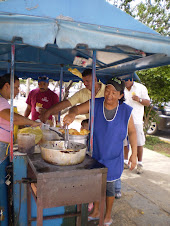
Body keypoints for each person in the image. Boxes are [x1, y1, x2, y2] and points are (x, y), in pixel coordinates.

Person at [63, 77, 137, 225]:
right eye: (108, 90)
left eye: (114, 92)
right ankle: (96, 211)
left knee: (109, 188)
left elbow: (132, 132)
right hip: (96, 154)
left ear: (121, 95)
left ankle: (108, 215)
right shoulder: (95, 103)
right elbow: (76, 108)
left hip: (114, 156)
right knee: (96, 185)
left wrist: (134, 154)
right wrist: (72, 114)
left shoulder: (125, 111)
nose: (109, 95)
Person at [0, 73, 41, 225]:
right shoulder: (1, 101)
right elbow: (12, 118)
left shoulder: (3, 101)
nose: (17, 90)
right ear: (6, 86)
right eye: (16, 87)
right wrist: (31, 122)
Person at [40, 69, 106, 122]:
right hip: (91, 127)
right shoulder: (82, 93)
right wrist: (48, 112)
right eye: (83, 81)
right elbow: (66, 103)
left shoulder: (108, 91)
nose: (85, 83)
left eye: (87, 81)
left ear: (95, 80)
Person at [123, 75, 150, 174]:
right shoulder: (121, 88)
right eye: (124, 80)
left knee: (138, 143)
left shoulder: (141, 88)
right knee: (124, 142)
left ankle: (140, 163)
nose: (125, 82)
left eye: (127, 80)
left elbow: (148, 102)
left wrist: (139, 100)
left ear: (132, 79)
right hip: (124, 120)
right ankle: (125, 162)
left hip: (137, 120)